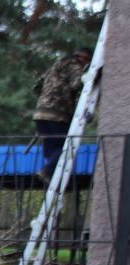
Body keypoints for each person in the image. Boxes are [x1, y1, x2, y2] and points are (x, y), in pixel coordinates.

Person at [33, 47, 93, 184]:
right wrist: (92, 78)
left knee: (50, 150)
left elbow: (37, 86)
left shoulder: (55, 67)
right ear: (84, 59)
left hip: (40, 113)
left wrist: (47, 97)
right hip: (58, 114)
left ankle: (50, 173)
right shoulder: (75, 65)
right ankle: (47, 171)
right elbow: (78, 83)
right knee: (65, 146)